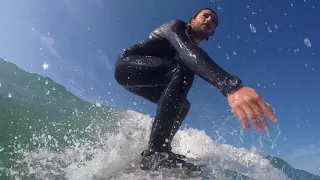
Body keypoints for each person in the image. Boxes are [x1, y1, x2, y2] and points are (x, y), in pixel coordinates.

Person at [114, 8, 278, 171]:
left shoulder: (191, 50)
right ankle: (154, 153)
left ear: (211, 34)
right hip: (127, 65)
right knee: (182, 71)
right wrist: (231, 87)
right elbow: (190, 54)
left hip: (140, 83)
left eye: (213, 22)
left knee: (184, 106)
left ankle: (162, 150)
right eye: (205, 16)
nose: (209, 21)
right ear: (192, 20)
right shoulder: (174, 26)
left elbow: (194, 57)